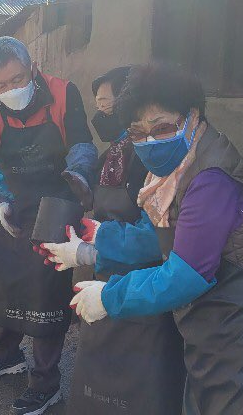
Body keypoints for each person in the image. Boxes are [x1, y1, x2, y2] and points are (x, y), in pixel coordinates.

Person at [40, 63, 243, 414]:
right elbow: (159, 236)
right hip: (220, 336)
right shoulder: (172, 174)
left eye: (162, 128)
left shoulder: (211, 180)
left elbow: (184, 276)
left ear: (192, 117)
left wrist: (109, 297)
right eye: (137, 133)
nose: (149, 141)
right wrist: (92, 247)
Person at [0, 36, 97, 415]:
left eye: (17, 79)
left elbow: (81, 143)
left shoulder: (63, 92)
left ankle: (45, 381)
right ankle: (5, 353)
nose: (10, 90)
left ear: (33, 68)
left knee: (46, 294)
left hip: (55, 202)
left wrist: (79, 174)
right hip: (8, 200)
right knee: (2, 281)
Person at [62, 66, 186, 414]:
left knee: (142, 389)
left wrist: (96, 244)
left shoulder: (153, 157)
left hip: (144, 286)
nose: (101, 110)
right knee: (98, 381)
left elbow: (157, 237)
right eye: (98, 103)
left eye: (107, 102)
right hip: (106, 277)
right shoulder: (113, 153)